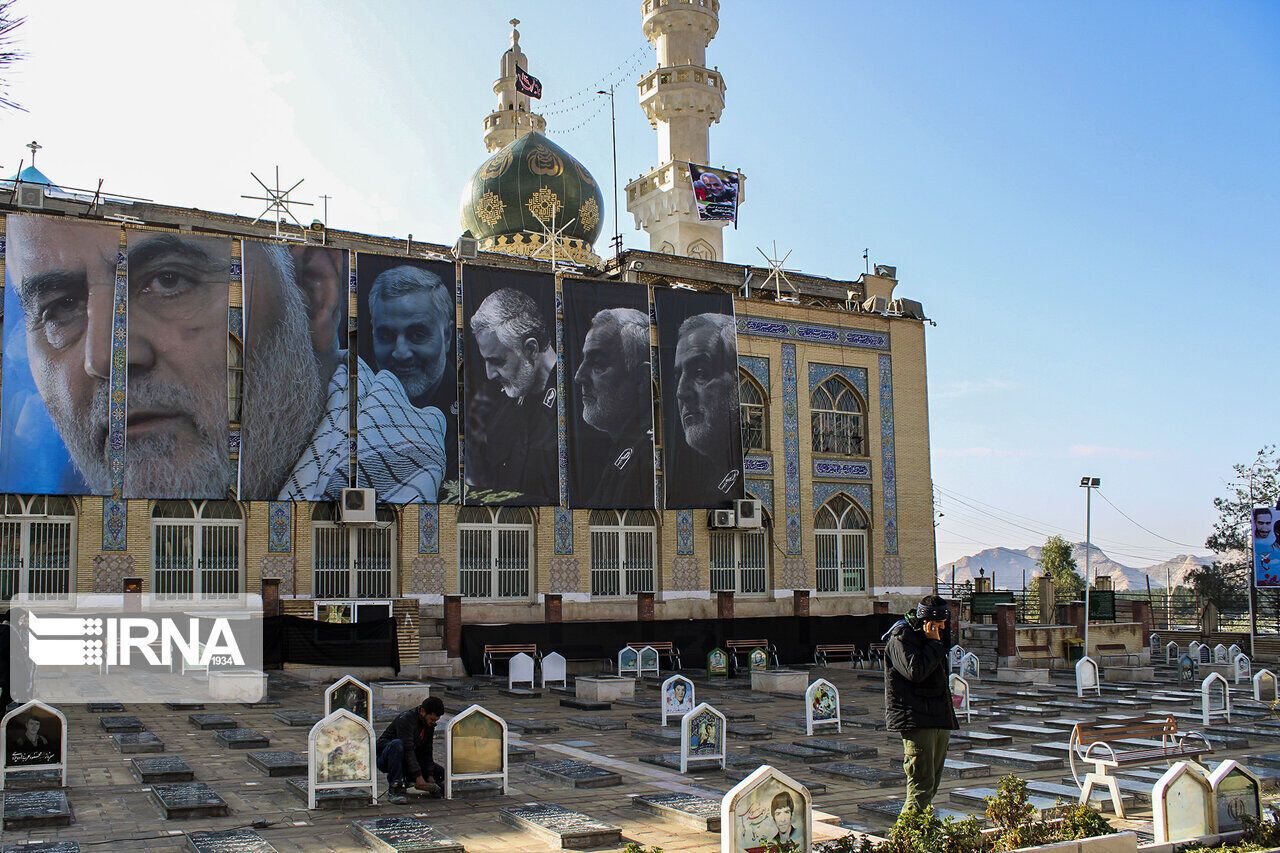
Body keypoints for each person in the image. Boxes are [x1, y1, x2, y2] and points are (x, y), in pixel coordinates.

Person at [242, 242, 445, 502]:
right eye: (385, 335)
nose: (401, 352)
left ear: (315, 291)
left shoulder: (426, 445)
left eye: (418, 334)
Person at [466, 287, 558, 502]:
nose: (489, 375)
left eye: (497, 361)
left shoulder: (580, 403)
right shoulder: (507, 403)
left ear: (531, 349)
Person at [884, 594, 958, 817]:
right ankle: (906, 838)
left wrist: (935, 642)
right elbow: (915, 672)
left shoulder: (934, 637)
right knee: (920, 786)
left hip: (937, 716)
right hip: (916, 718)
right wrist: (933, 643)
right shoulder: (901, 637)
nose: (943, 627)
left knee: (932, 783)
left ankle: (921, 832)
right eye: (940, 623)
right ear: (928, 621)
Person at [573, 307, 653, 506]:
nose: (579, 376)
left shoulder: (647, 460)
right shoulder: (625, 448)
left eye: (598, 364)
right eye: (585, 361)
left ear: (641, 378)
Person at [672, 312, 741, 504]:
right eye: (679, 376)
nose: (681, 393)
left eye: (700, 373)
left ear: (738, 381)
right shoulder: (701, 485)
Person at [375, 696, 445, 804]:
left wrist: (429, 775)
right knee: (397, 744)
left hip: (409, 759)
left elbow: (427, 750)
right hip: (390, 757)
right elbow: (408, 750)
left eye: (436, 721)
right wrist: (418, 776)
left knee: (440, 773)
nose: (434, 723)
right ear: (422, 712)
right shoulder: (406, 719)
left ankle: (409, 780)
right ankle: (395, 788)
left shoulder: (429, 724)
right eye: (432, 719)